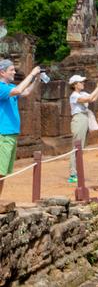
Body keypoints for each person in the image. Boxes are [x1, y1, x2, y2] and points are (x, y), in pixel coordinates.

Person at [0, 58, 41, 196]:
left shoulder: (9, 88)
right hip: (3, 134)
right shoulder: (1, 88)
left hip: (10, 134)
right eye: (11, 70)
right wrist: (31, 74)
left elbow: (26, 92)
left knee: (3, 172)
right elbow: (19, 90)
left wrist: (36, 80)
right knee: (0, 171)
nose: (14, 72)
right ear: (2, 72)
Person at [68, 74, 98, 183]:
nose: (83, 83)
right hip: (78, 119)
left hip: (84, 118)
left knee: (81, 146)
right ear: (75, 85)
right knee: (76, 146)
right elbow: (89, 98)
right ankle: (73, 174)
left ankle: (77, 172)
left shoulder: (82, 93)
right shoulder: (74, 95)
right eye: (81, 82)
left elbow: (93, 99)